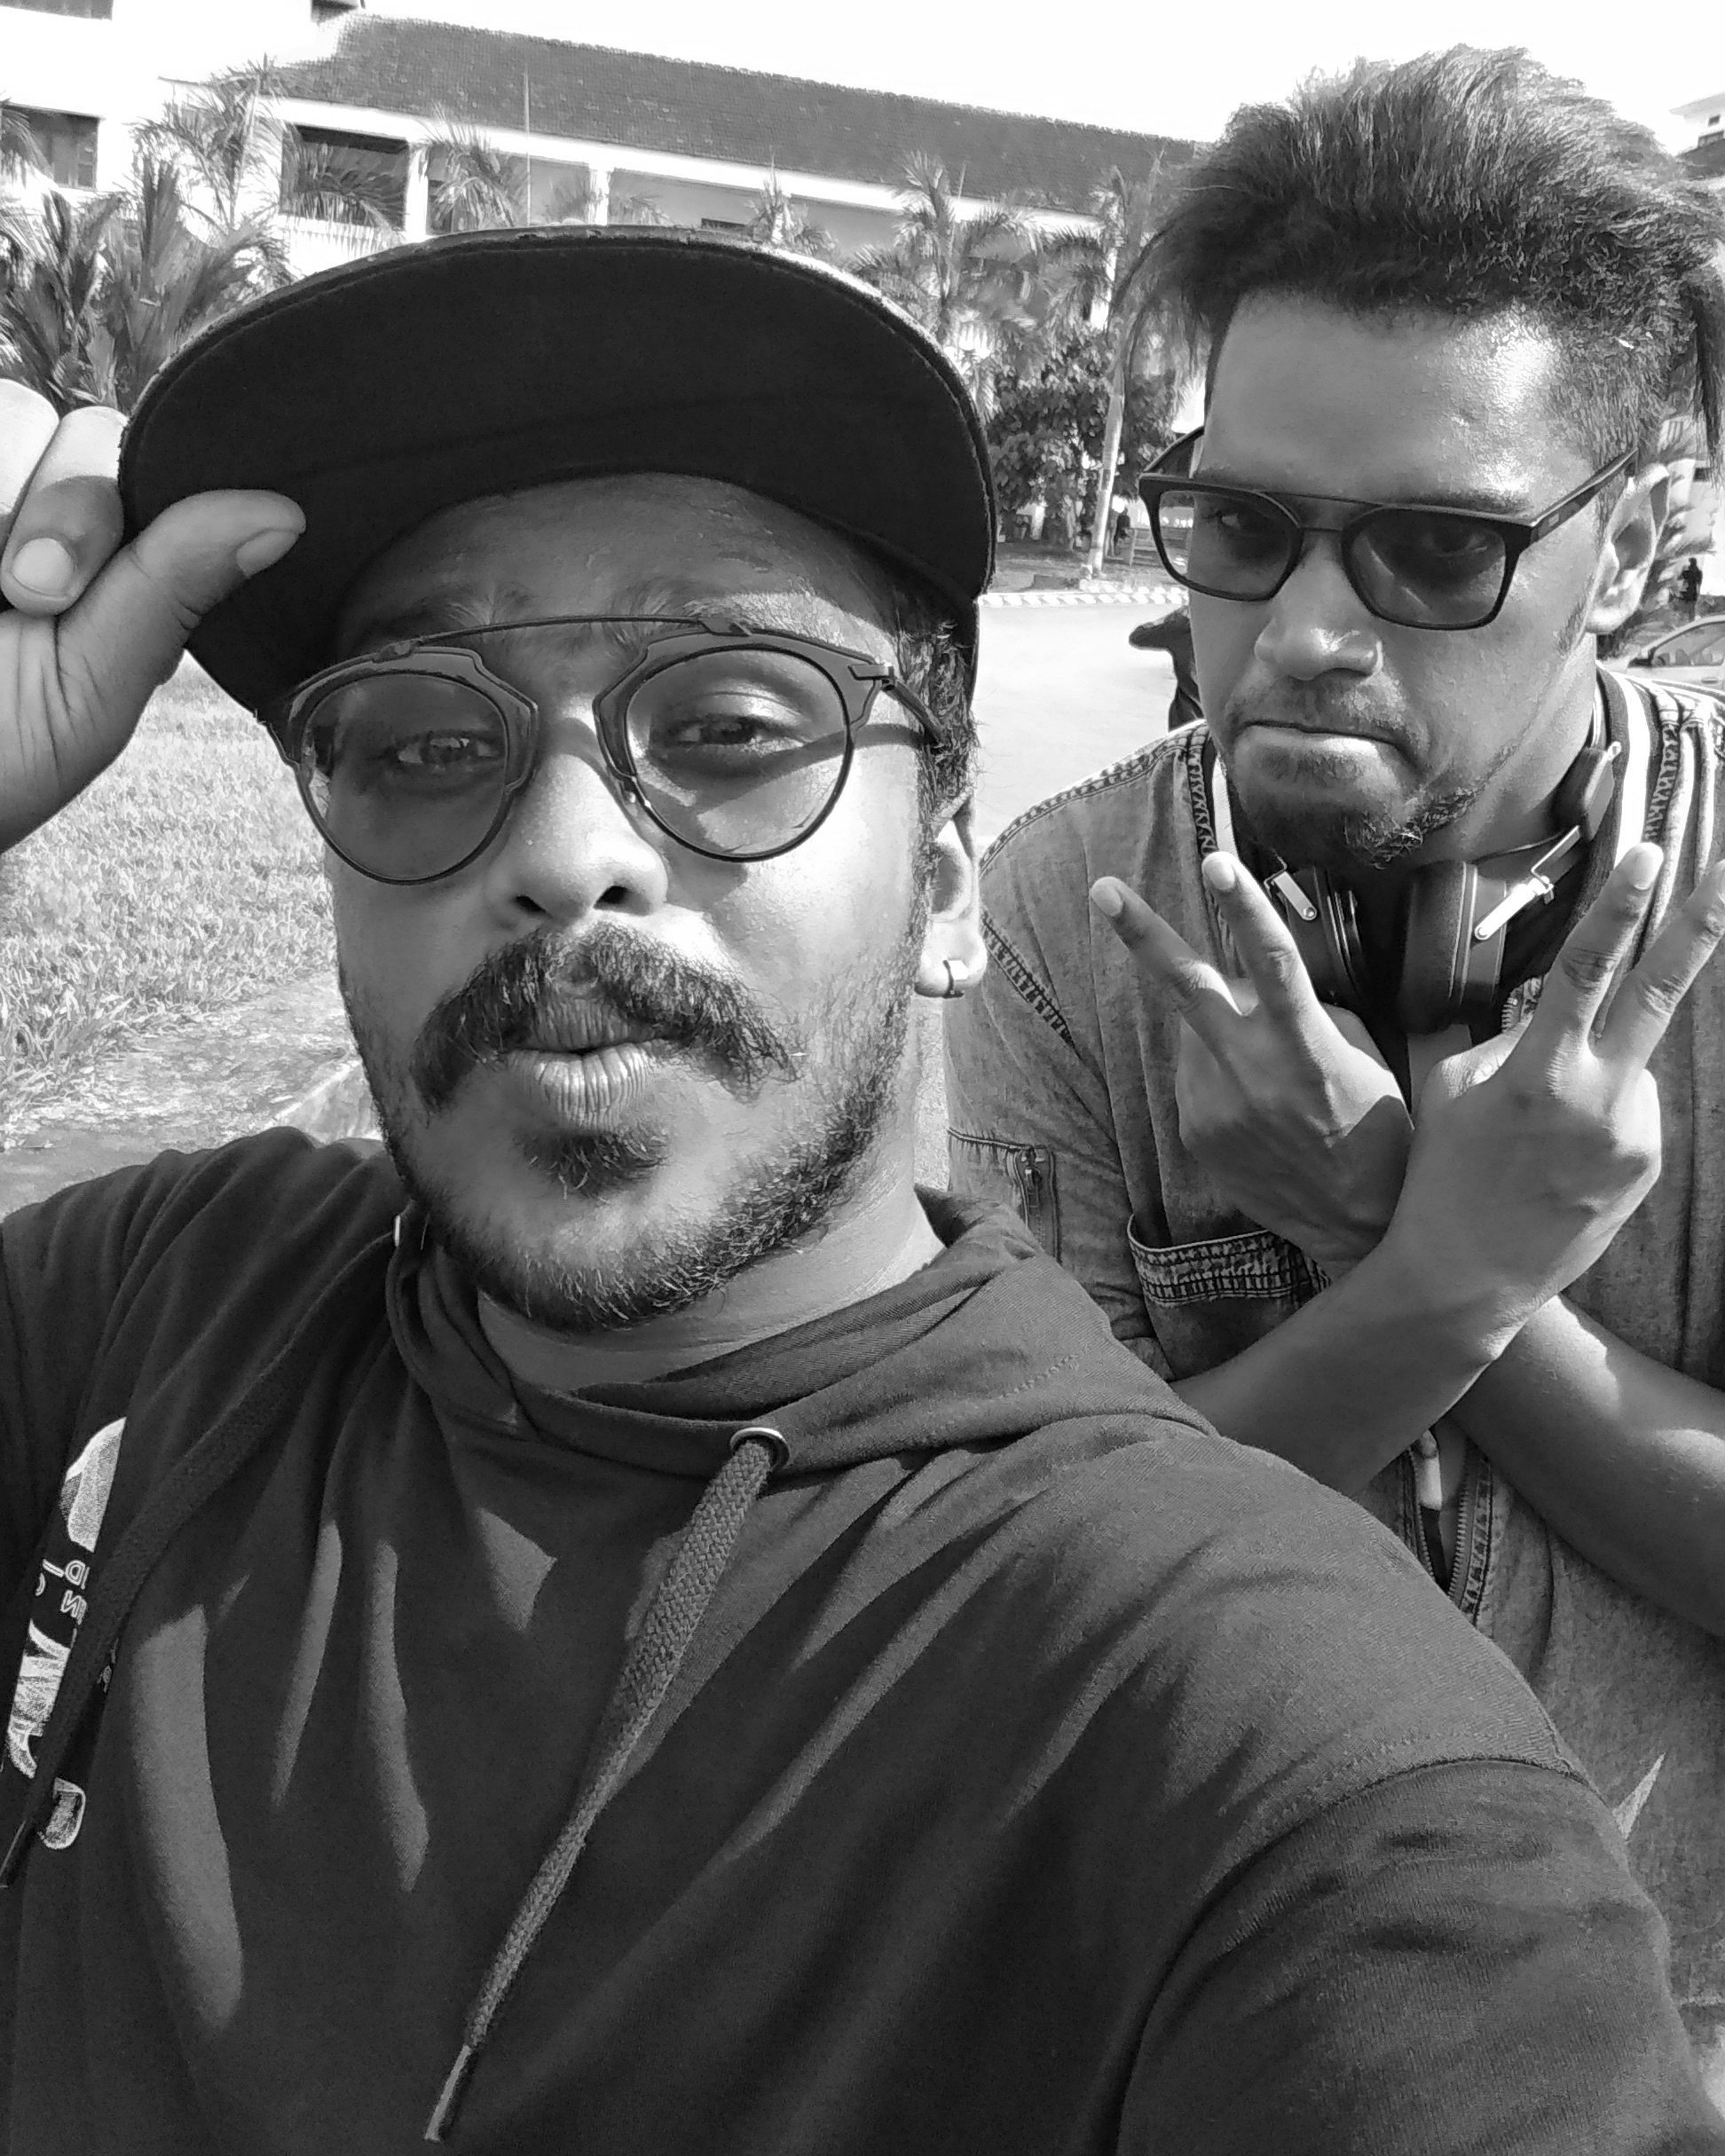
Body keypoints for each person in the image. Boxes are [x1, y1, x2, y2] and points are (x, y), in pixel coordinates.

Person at [0, 230, 1719, 2154]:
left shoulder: (1282, 1743)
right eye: (420, 742)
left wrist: (1453, 1283)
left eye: (734, 730)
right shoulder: (157, 1305)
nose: (565, 854)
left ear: (946, 877)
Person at [944, 48, 1725, 2097]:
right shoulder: (1071, 912)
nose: (1301, 630)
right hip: (1198, 2012)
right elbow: (1039, 1578)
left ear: (1632, 545)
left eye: (1435, 555)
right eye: (1242, 526)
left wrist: (1404, 1252)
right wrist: (1442, 1268)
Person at [1126, 603, 1202, 728]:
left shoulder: (1181, 627)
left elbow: (1138, 637)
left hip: (1189, 721)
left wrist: (1174, 617)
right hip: (1228, 721)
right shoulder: (1233, 627)